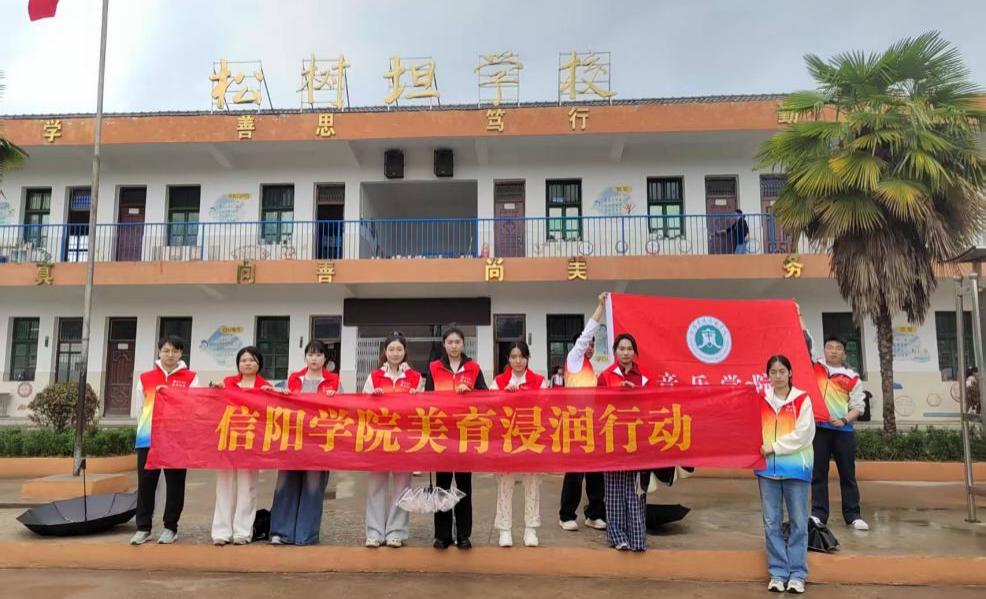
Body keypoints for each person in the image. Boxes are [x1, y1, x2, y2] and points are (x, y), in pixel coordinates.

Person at [800, 309, 869, 532]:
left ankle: (853, 515)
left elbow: (858, 406)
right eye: (830, 347)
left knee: (847, 474)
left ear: (844, 353)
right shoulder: (816, 367)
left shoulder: (852, 377)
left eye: (838, 348)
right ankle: (818, 514)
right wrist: (799, 316)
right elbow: (805, 341)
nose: (833, 351)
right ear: (825, 349)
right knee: (818, 473)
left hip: (842, 432)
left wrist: (844, 419)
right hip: (819, 429)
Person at [130, 336, 200, 545]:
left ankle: (170, 527)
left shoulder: (191, 378)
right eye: (166, 350)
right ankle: (143, 528)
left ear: (181, 354)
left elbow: (194, 405)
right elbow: (140, 408)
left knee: (175, 484)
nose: (170, 355)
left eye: (175, 351)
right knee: (146, 483)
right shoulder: (146, 378)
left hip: (176, 439)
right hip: (148, 437)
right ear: (159, 352)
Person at [269, 340, 339, 546]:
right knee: (285, 483)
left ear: (325, 358)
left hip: (319, 442)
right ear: (305, 357)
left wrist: (334, 398)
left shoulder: (333, 381)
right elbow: (282, 405)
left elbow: (340, 411)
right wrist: (282, 395)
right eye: (310, 354)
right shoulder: (294, 378)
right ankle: (281, 532)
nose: (314, 359)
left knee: (313, 486)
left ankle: (306, 534)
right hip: (292, 439)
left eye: (318, 355)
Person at [757, 354, 815, 594]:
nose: (778, 376)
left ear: (790, 373)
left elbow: (804, 434)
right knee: (771, 522)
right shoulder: (761, 399)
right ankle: (778, 573)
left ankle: (798, 574)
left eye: (782, 371)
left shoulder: (802, 399)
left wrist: (774, 447)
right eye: (773, 372)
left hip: (795, 470)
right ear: (767, 376)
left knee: (798, 522)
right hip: (767, 472)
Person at [426, 326, 487, 550]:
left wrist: (470, 392)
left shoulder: (473, 368)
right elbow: (426, 399)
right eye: (450, 342)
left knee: (464, 486)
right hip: (442, 434)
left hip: (464, 434)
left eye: (457, 342)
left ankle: (463, 534)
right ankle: (442, 535)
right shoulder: (434, 367)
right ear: (444, 344)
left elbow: (486, 397)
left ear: (463, 344)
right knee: (442, 486)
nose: (454, 346)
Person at [362, 332, 422, 548]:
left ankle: (396, 532)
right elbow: (362, 405)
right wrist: (373, 398)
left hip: (404, 438)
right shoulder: (375, 376)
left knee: (402, 486)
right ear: (384, 352)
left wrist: (416, 397)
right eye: (391, 349)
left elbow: (423, 409)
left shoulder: (415, 377)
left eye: (399, 349)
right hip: (379, 437)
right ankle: (374, 532)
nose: (395, 353)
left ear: (405, 351)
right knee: (376, 486)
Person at [211, 346, 272, 546]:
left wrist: (273, 395)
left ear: (259, 364)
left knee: (248, 487)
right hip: (228, 441)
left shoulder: (265, 386)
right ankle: (221, 532)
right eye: (243, 360)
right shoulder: (228, 382)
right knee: (224, 486)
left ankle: (243, 532)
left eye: (252, 360)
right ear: (238, 364)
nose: (247, 363)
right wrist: (215, 389)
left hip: (251, 444)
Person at [597, 332, 652, 552]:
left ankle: (637, 538)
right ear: (615, 352)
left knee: (636, 490)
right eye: (621, 349)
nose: (626, 353)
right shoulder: (605, 376)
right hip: (613, 439)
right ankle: (617, 536)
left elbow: (653, 405)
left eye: (629, 349)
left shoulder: (644, 377)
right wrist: (618, 394)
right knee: (613, 490)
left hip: (637, 440)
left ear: (635, 353)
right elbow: (598, 405)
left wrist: (636, 393)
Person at [558, 292, 608, 532]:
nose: (589, 346)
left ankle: (594, 514)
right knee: (575, 472)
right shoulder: (574, 359)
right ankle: (566, 515)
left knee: (596, 471)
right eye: (587, 343)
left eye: (592, 344)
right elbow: (587, 332)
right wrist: (600, 307)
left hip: (593, 424)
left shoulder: (591, 368)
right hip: (575, 424)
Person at [490, 341, 547, 548]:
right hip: (507, 440)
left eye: (522, 356)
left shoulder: (539, 381)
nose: (518, 361)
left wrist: (525, 396)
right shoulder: (499, 381)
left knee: (532, 484)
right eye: (513, 357)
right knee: (505, 484)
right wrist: (504, 395)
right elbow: (490, 408)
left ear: (527, 358)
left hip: (531, 438)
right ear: (508, 359)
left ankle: (531, 529)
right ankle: (504, 529)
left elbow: (546, 406)